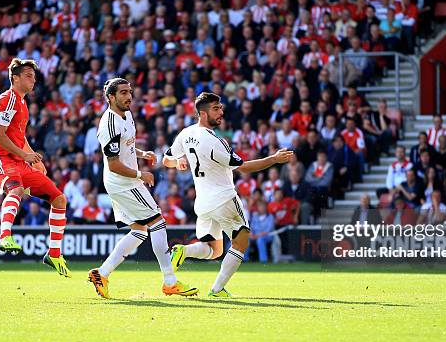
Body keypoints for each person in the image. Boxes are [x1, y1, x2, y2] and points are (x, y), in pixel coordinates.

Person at [163, 92, 293, 297]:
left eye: (220, 107)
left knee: (213, 250)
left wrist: (179, 160)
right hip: (223, 198)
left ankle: (183, 251)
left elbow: (166, 160)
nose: (221, 112)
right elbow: (244, 167)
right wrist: (274, 159)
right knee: (242, 239)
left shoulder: (186, 133)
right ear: (203, 114)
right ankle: (217, 289)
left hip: (203, 202)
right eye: (216, 108)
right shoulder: (214, 142)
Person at [88, 78, 198, 299]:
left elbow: (124, 147)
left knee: (139, 231)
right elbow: (114, 163)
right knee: (158, 222)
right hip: (123, 181)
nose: (129, 96)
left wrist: (141, 153)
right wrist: (141, 174)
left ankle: (102, 273)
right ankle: (170, 281)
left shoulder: (126, 115)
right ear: (111, 97)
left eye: (130, 91)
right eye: (123, 93)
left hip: (123, 180)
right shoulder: (109, 123)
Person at [0, 58, 71, 277]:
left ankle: (53, 254)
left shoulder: (21, 103)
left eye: (34, 76)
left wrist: (34, 158)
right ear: (15, 78)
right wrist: (25, 155)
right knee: (15, 191)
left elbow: (19, 137)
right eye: (28, 76)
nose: (34, 80)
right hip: (1, 159)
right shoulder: (7, 100)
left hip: (19, 161)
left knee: (59, 199)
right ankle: (4, 236)